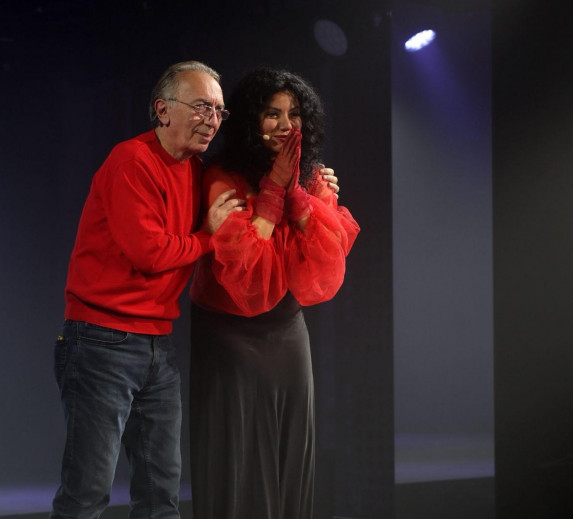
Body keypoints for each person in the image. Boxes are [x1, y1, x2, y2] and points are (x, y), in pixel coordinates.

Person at [51, 60, 243, 519]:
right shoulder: (131, 160)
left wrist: (311, 182)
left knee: (161, 495)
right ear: (163, 109)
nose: (213, 120)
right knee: (86, 494)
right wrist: (207, 237)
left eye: (219, 111)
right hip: (101, 341)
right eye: (202, 107)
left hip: (157, 344)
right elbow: (150, 253)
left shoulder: (195, 170)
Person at [188, 67, 360, 519]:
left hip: (286, 332)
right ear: (250, 120)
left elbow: (326, 262)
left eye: (294, 114)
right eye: (272, 114)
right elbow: (249, 274)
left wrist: (296, 193)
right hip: (229, 335)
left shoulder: (313, 178)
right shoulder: (222, 177)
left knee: (290, 453)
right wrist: (270, 193)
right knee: (238, 455)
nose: (286, 125)